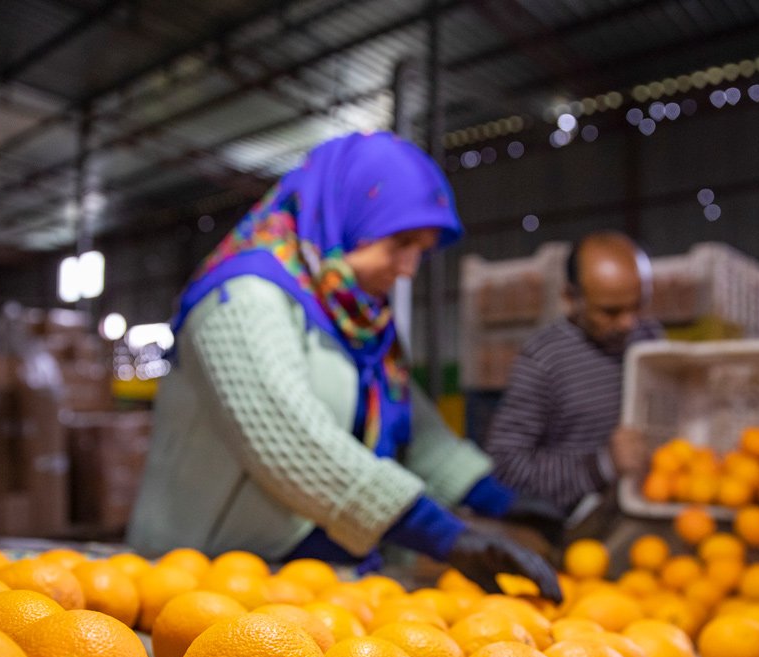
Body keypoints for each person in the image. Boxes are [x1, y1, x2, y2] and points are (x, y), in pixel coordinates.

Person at [127, 132, 560, 601]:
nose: (410, 268)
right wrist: (444, 535)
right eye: (401, 242)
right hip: (205, 581)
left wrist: (502, 501)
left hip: (308, 585)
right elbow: (289, 439)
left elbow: (415, 428)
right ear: (349, 215)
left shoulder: (351, 316)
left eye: (423, 249)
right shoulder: (243, 298)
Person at [484, 231, 664, 521]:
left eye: (638, 305)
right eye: (611, 312)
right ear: (570, 297)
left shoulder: (649, 338)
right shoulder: (544, 360)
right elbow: (508, 466)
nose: (629, 323)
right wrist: (603, 464)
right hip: (574, 525)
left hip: (643, 508)